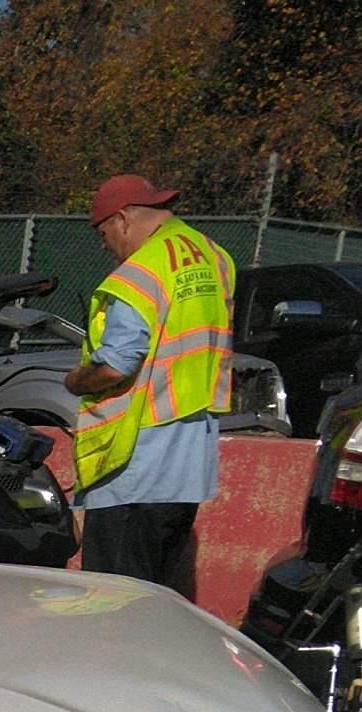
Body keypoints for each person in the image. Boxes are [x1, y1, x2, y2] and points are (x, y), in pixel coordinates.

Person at [63, 172, 236, 598]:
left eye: (102, 232)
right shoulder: (214, 256)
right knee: (155, 596)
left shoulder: (138, 273)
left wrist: (77, 380)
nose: (104, 244)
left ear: (121, 220)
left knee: (113, 599)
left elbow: (117, 363)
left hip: (135, 464)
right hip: (189, 462)